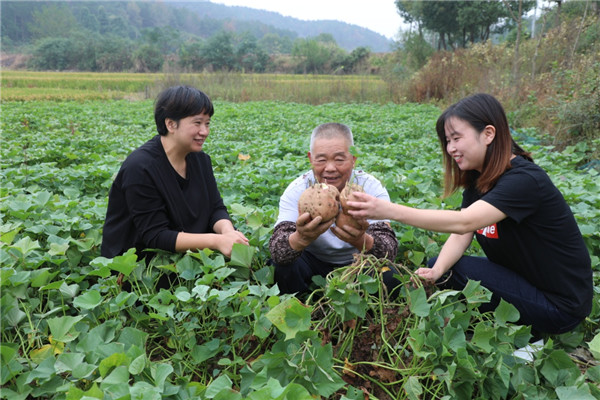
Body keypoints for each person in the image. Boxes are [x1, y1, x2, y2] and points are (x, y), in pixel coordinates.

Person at [348, 93, 592, 335]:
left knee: (459, 270)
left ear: (488, 134)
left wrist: (388, 210)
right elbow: (462, 232)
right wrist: (437, 270)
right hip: (525, 283)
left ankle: (527, 339)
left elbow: (466, 221)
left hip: (559, 307)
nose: (451, 148)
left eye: (456, 138)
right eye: (447, 140)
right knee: (440, 268)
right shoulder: (480, 181)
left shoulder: (524, 181)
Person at [101, 85, 248, 260]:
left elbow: (215, 208)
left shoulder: (201, 160)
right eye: (197, 123)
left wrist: (228, 233)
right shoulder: (140, 167)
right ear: (171, 124)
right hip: (142, 265)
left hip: (187, 256)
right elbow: (155, 235)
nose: (205, 132)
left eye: (207, 123)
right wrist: (216, 241)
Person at [269, 122, 398, 295]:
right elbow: (277, 248)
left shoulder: (370, 188)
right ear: (310, 158)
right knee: (281, 268)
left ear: (353, 159)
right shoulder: (298, 190)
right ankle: (302, 309)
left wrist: (361, 240)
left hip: (358, 265)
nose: (330, 168)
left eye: (339, 159)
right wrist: (300, 238)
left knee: (389, 276)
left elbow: (389, 250)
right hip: (312, 262)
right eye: (321, 160)